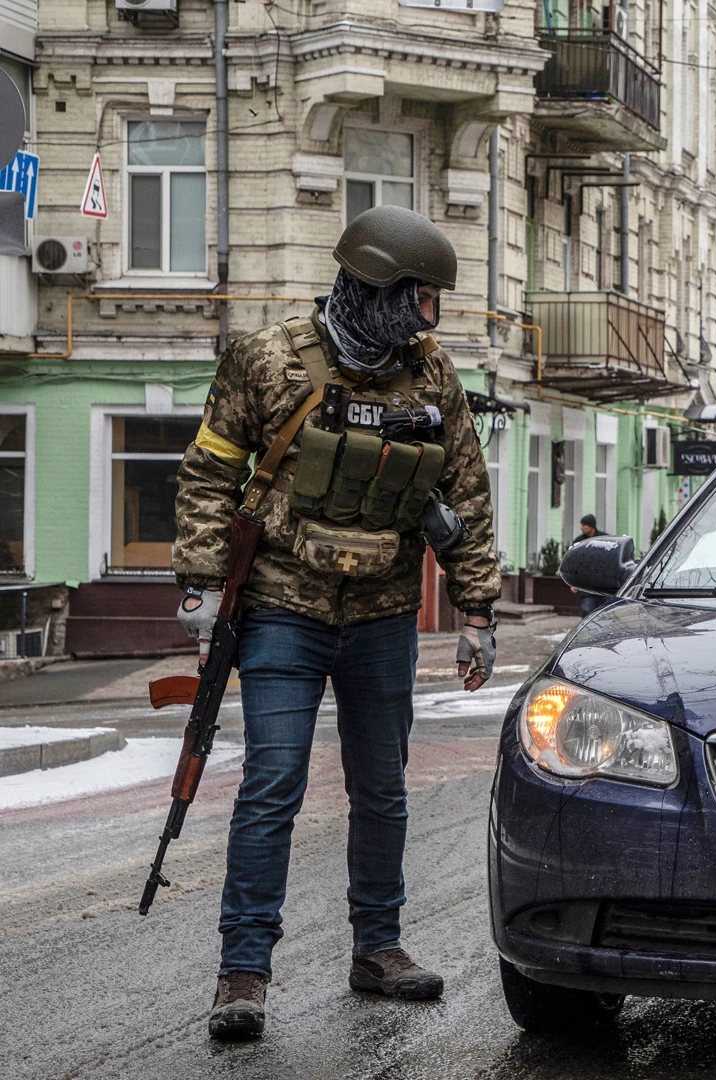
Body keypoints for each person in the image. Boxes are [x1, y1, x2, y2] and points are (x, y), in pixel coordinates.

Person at [173, 206, 500, 1041]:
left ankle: (378, 948)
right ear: (377, 285)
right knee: (273, 785)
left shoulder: (430, 379)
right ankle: (242, 971)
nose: (432, 316)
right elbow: (209, 473)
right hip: (283, 606)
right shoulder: (270, 359)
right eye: (422, 297)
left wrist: (478, 610)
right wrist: (202, 591)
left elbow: (466, 494)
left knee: (382, 791)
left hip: (385, 611)